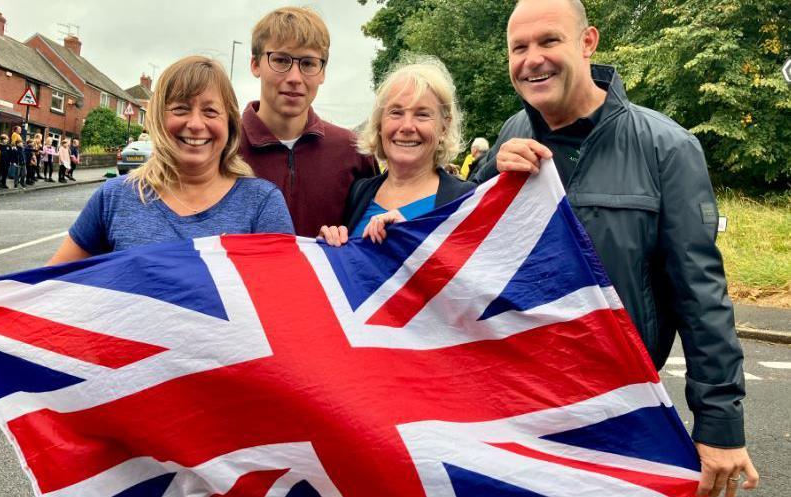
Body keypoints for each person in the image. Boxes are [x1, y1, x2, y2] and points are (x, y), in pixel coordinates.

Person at [474, 1, 759, 495]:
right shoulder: (511, 134)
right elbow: (468, 247)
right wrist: (488, 174)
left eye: (548, 41)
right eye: (518, 48)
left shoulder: (667, 146)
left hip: (620, 411)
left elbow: (701, 295)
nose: (532, 59)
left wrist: (719, 426)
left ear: (588, 43)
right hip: (517, 405)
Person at [48, 55, 294, 264]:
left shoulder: (262, 203)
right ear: (158, 118)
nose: (196, 124)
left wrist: (332, 245)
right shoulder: (114, 198)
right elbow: (48, 292)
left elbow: (290, 300)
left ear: (229, 123)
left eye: (210, 111)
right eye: (180, 109)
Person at [240, 6, 377, 237]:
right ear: (255, 64)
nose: (294, 78)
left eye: (308, 64)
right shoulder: (223, 146)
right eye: (281, 60)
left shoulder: (354, 151)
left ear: (323, 72)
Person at [318, 57, 474, 246]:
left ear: (443, 127)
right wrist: (332, 247)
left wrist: (413, 241)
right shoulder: (359, 192)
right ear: (379, 124)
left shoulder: (466, 200)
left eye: (422, 114)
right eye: (396, 112)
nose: (407, 126)